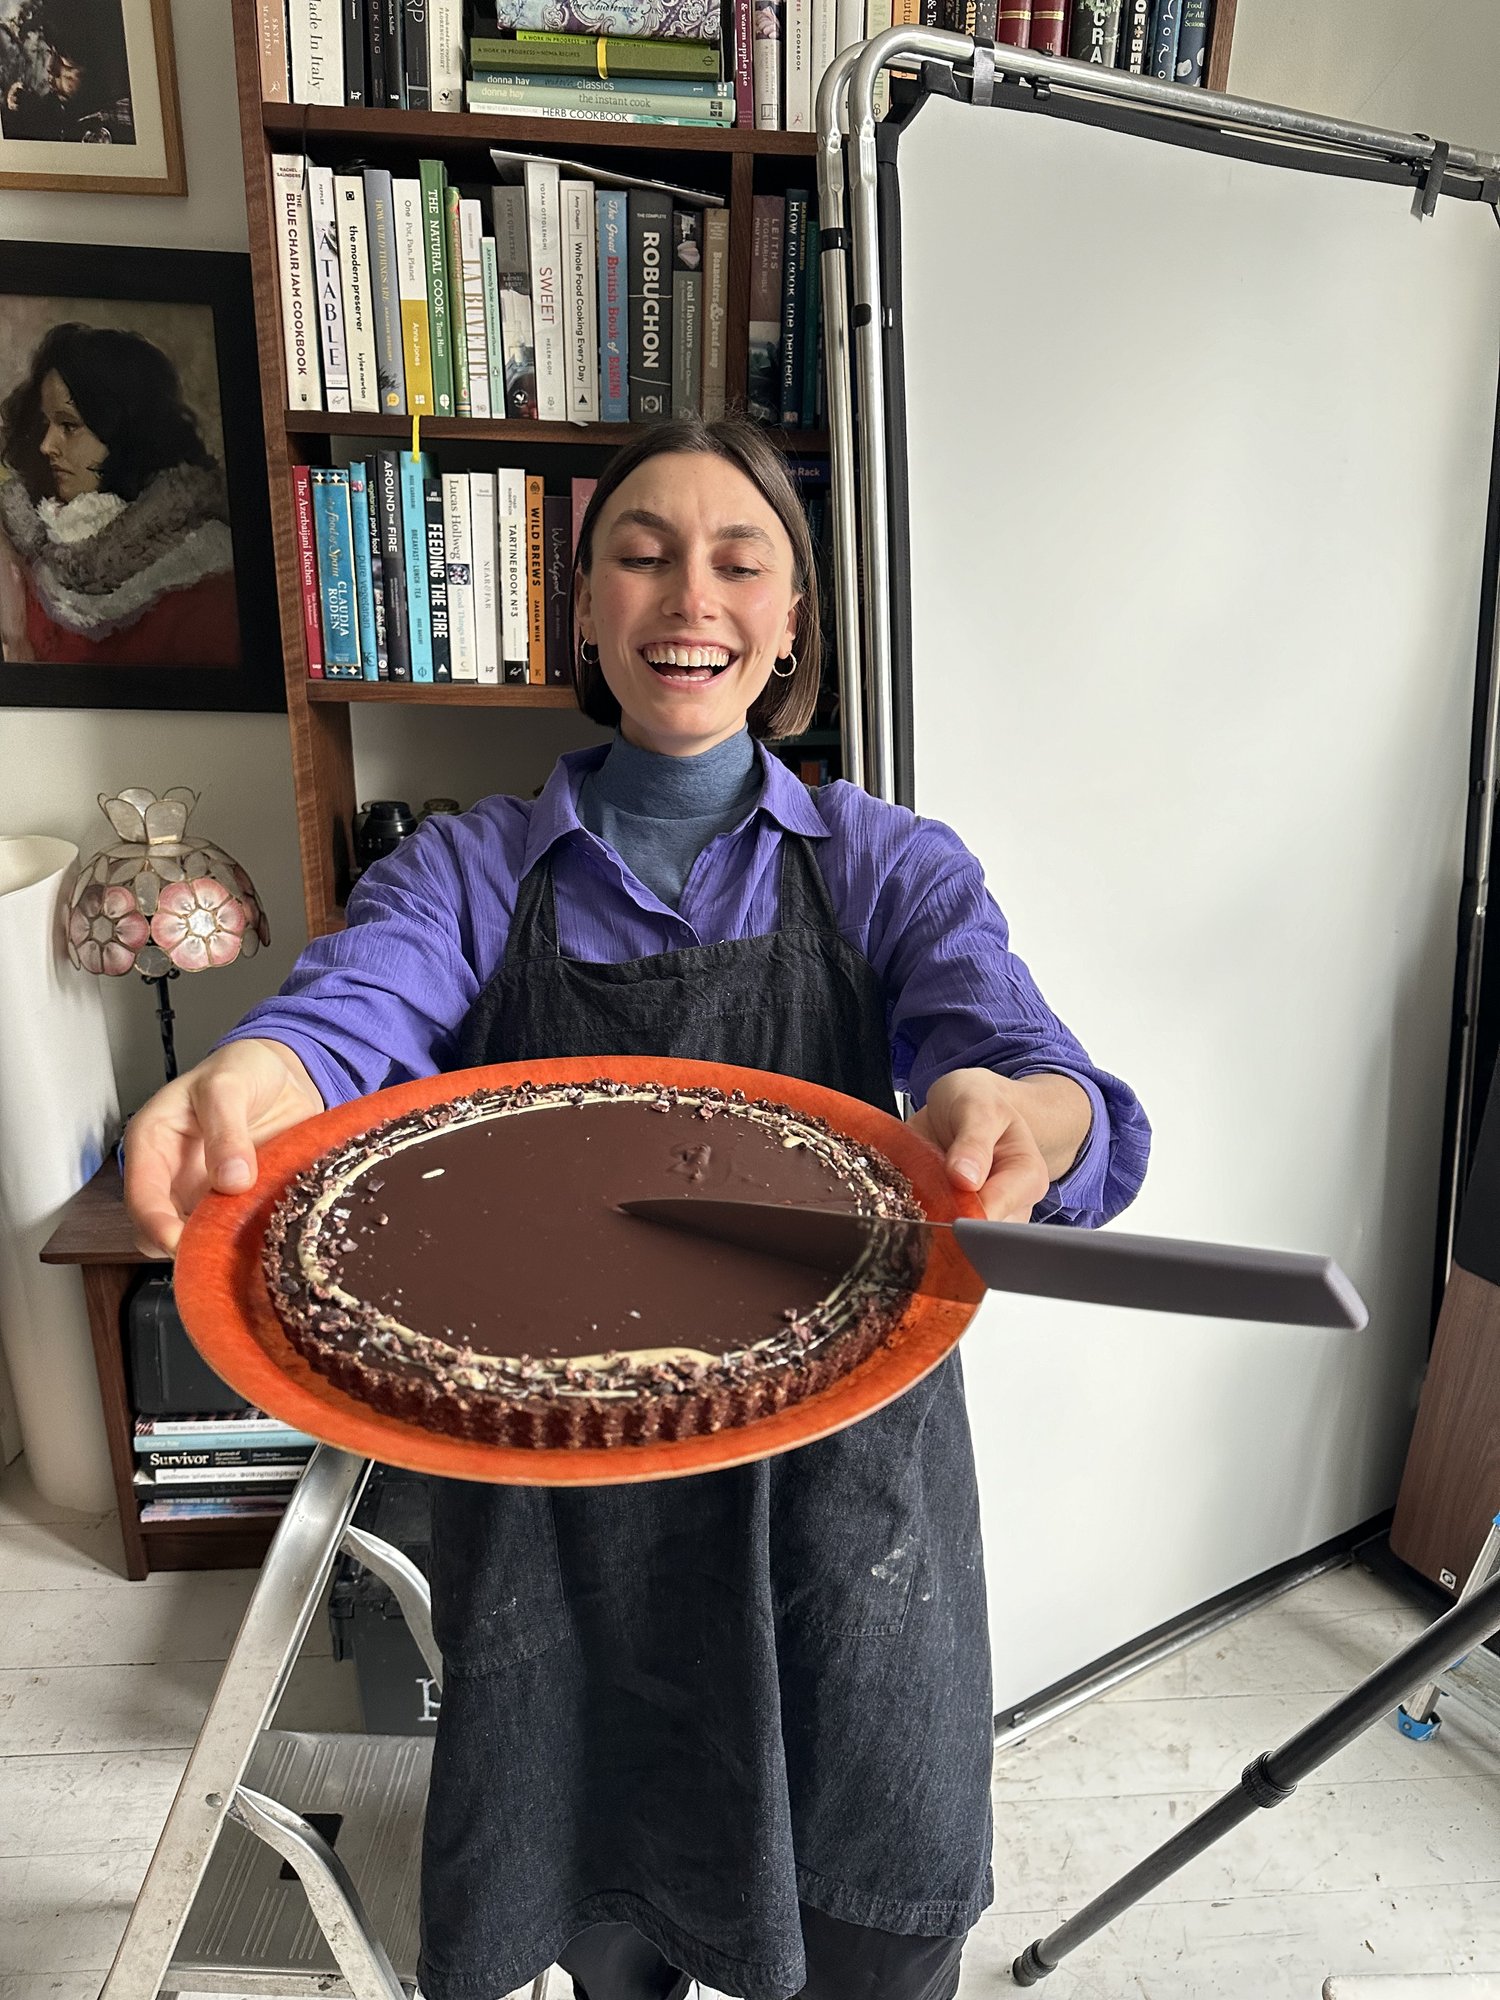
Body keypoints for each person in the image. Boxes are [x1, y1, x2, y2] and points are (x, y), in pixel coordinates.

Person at [125, 416, 1150, 2000]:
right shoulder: (469, 870)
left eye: (741, 561)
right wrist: (261, 1072)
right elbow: (354, 1009)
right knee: (608, 1900)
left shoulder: (888, 865)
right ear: (587, 610)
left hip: (842, 1496)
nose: (693, 596)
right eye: (643, 554)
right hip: (563, 1505)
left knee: (872, 1908)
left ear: (792, 621)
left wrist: (1030, 1113)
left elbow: (1026, 1061)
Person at [0, 321, 239, 668]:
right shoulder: (24, 547)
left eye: (69, 426)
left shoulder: (207, 579)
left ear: (123, 430)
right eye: (45, 425)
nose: (46, 445)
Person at [0, 0, 134, 145]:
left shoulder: (124, 124)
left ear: (103, 68)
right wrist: (20, 109)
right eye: (51, 52)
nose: (50, 67)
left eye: (65, 62)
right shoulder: (63, 107)